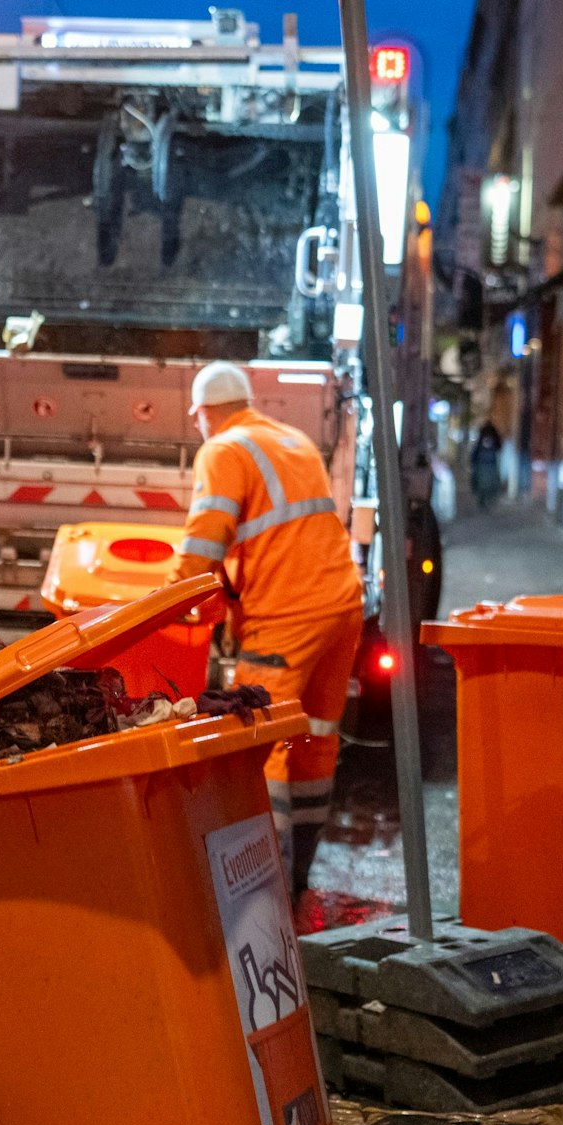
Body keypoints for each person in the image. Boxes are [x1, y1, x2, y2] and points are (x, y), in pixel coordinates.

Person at [168, 361, 363, 897]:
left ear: (205, 413)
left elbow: (205, 542)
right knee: (314, 739)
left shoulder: (224, 450)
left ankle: (261, 889)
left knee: (260, 743)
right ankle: (298, 877)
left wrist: (176, 604)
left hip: (288, 616)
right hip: (342, 605)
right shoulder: (293, 441)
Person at [470, 419, 503, 512]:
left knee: (482, 484)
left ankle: (483, 501)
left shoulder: (481, 439)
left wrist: (473, 462)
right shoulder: (493, 437)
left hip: (483, 465)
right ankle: (487, 500)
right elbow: (499, 446)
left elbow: (475, 453)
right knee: (490, 484)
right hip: (490, 465)